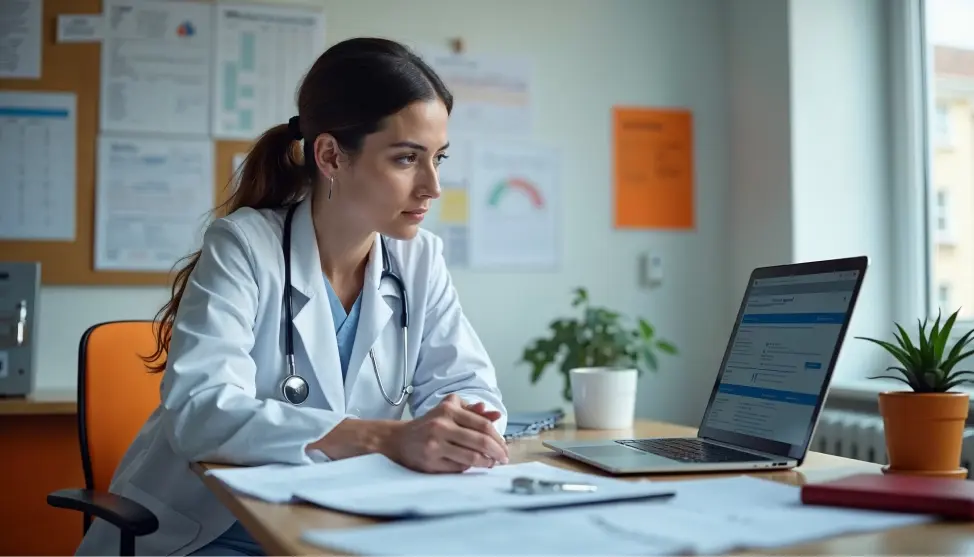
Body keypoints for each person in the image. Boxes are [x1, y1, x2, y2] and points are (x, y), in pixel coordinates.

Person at [75, 37, 509, 557]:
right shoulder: (243, 246)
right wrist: (384, 438)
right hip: (211, 532)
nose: (432, 186)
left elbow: (466, 384)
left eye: (438, 157)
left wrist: (458, 430)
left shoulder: (420, 261)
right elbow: (200, 413)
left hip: (342, 523)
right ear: (330, 155)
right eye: (405, 159)